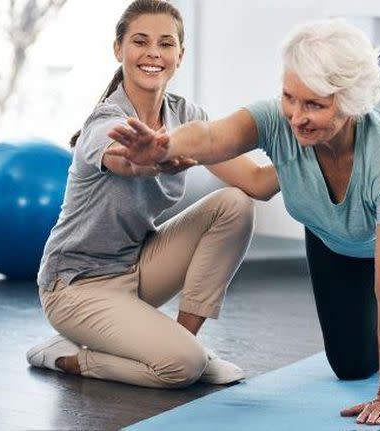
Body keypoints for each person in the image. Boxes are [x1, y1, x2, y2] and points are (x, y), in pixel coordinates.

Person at [108, 19, 380, 425]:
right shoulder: (277, 121)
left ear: (352, 102)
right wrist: (164, 146)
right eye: (290, 97)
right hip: (335, 238)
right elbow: (214, 137)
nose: (296, 116)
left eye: (315, 105)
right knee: (352, 366)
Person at [25, 0, 280, 389]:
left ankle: (184, 341)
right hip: (75, 286)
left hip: (136, 268)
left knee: (234, 204)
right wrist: (153, 159)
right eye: (140, 42)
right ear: (118, 49)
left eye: (165, 44)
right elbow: (128, 162)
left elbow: (257, 183)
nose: (153, 54)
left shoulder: (187, 116)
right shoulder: (105, 121)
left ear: (180, 54)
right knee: (180, 369)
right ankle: (69, 358)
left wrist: (314, 150)